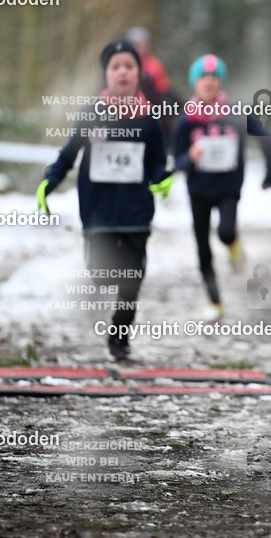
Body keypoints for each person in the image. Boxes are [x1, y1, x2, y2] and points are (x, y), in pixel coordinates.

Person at [37, 40, 173, 361]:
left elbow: (156, 162)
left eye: (129, 66)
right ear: (106, 74)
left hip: (137, 213)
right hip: (98, 213)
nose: (122, 72)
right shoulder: (91, 114)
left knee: (131, 281)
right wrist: (49, 181)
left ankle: (119, 338)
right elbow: (69, 154)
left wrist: (162, 178)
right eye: (115, 66)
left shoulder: (149, 119)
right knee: (102, 274)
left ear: (138, 74)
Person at [174, 54, 271, 323]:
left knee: (225, 232)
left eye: (214, 77)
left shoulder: (235, 113)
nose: (208, 82)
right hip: (198, 190)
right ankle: (214, 302)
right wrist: (190, 158)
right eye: (203, 77)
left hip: (228, 187)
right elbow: (178, 160)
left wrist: (269, 173)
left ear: (221, 83)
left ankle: (233, 243)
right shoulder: (186, 120)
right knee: (202, 248)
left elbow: (264, 136)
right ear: (194, 83)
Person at [125, 27, 179, 142]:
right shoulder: (123, 64)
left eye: (141, 44)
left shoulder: (154, 65)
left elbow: (163, 90)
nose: (139, 47)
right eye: (135, 44)